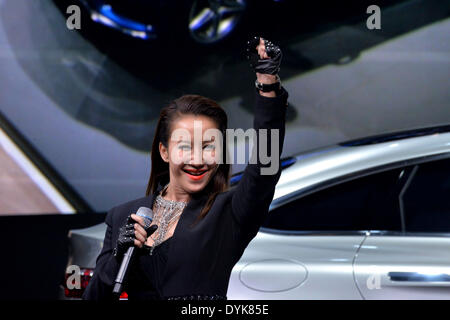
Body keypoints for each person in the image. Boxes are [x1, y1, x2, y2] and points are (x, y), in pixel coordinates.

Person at [82, 36, 289, 300]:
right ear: (164, 151)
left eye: (208, 146)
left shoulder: (228, 213)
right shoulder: (123, 216)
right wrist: (117, 258)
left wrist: (267, 85)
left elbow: (265, 166)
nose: (197, 159)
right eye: (185, 147)